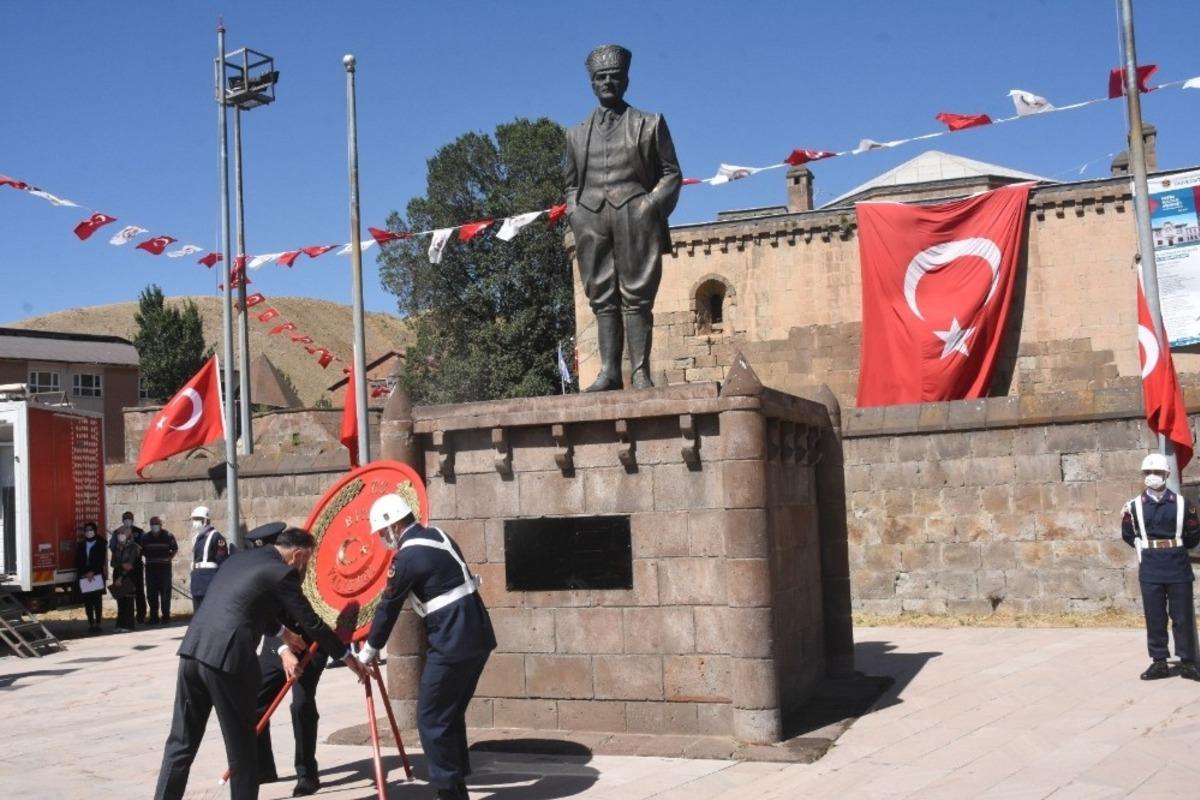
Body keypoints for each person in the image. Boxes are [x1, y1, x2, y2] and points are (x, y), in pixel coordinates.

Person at [153, 527, 367, 800]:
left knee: (180, 743)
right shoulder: (282, 573)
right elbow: (311, 622)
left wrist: (282, 632)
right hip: (227, 662)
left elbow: (243, 604)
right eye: (306, 561)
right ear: (297, 555)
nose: (304, 567)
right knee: (242, 751)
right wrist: (348, 657)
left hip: (192, 652)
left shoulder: (240, 559)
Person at [356, 493, 496, 800]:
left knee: (431, 717)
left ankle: (449, 791)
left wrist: (368, 651)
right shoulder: (438, 534)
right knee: (449, 713)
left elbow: (388, 606)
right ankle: (456, 784)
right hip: (476, 633)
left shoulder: (407, 557)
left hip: (451, 638)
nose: (382, 539)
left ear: (393, 526)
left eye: (382, 532)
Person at [563, 43, 682, 392]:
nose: (608, 83)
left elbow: (671, 173)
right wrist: (575, 213)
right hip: (591, 219)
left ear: (626, 81)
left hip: (635, 212)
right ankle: (609, 373)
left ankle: (641, 372)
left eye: (614, 77)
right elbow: (570, 184)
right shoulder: (575, 134)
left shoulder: (649, 123)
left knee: (637, 295)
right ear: (592, 83)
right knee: (602, 297)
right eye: (601, 78)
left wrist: (651, 206)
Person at [245, 522, 329, 796]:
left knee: (301, 705)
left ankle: (307, 773)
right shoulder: (269, 571)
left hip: (312, 643)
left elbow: (316, 618)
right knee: (253, 700)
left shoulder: (306, 567)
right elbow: (267, 617)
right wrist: (283, 651)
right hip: (278, 643)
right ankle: (263, 768)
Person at [1121, 452, 1200, 681]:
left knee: (1182, 615)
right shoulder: (1133, 506)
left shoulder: (1184, 504)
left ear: (1166, 474)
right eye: (1148, 472)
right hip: (1151, 565)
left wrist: (1175, 548)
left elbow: (1194, 535)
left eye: (1157, 472)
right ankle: (1159, 662)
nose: (1152, 476)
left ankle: (1187, 662)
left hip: (1177, 563)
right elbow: (1127, 534)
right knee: (1154, 616)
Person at [189, 505, 232, 610]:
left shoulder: (216, 537)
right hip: (197, 578)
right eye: (194, 519)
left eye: (197, 519)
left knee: (208, 610)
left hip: (209, 579)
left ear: (205, 520)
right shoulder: (197, 537)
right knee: (197, 610)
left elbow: (222, 561)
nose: (195, 522)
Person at [142, 516, 178, 624]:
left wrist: (169, 558)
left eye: (156, 524)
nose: (155, 526)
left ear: (161, 524)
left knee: (165, 593)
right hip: (151, 569)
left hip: (164, 569)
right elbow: (142, 550)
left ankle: (166, 616)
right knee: (151, 593)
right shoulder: (145, 537)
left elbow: (174, 549)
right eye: (152, 524)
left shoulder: (168, 535)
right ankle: (154, 617)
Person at [113, 510, 147, 623]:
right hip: (121, 566)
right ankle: (125, 618)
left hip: (136, 566)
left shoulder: (139, 532)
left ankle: (141, 616)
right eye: (125, 518)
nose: (127, 520)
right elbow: (113, 547)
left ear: (132, 519)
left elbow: (143, 548)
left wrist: (134, 547)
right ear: (122, 520)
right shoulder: (117, 532)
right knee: (123, 593)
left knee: (139, 591)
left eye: (129, 518)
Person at [110, 522, 143, 632]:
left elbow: (130, 564)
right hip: (117, 574)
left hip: (128, 576)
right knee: (120, 602)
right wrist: (121, 565)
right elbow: (113, 563)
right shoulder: (117, 548)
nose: (120, 535)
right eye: (119, 534)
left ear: (128, 535)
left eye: (123, 533)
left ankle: (128, 625)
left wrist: (121, 575)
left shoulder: (133, 547)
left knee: (128, 601)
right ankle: (120, 624)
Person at [75, 521, 107, 633]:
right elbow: (78, 561)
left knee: (97, 601)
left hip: (96, 576)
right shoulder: (81, 545)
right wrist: (84, 573)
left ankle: (98, 623)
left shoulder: (100, 544)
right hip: (85, 576)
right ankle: (91, 624)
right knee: (88, 602)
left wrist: (93, 572)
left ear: (95, 531)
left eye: (91, 530)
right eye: (87, 530)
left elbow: (101, 561)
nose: (89, 532)